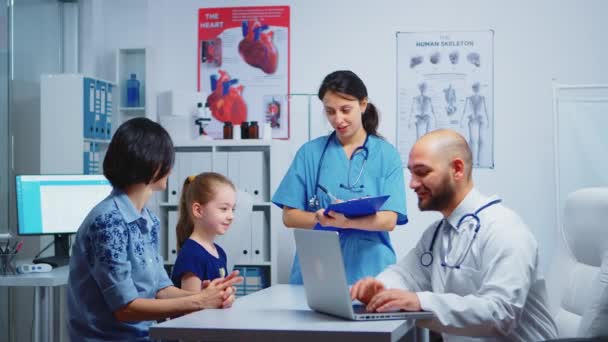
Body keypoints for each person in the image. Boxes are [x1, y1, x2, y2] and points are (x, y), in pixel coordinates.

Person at [350, 129, 558, 341]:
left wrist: (420, 302)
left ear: (457, 169)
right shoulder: (438, 234)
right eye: (411, 173)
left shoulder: (505, 229)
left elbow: (501, 314)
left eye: (422, 172)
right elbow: (406, 275)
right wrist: (379, 288)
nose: (412, 183)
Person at [67, 118, 243, 341]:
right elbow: (125, 309)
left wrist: (209, 296)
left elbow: (160, 289)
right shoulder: (108, 222)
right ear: (152, 164)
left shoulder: (148, 220)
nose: (171, 169)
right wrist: (199, 301)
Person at [272, 70, 408, 285]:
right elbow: (289, 216)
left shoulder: (386, 155)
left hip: (370, 267)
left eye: (345, 110)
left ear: (363, 104)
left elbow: (389, 220)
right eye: (330, 112)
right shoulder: (310, 153)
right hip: (317, 266)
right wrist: (319, 219)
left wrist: (346, 222)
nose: (338, 119)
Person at [172, 172, 236, 291]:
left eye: (233, 209)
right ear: (198, 210)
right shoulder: (192, 255)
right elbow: (191, 304)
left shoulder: (220, 252)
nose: (231, 216)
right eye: (224, 209)